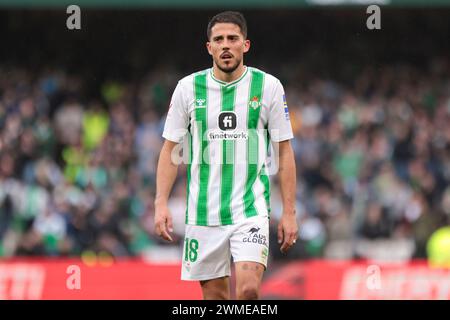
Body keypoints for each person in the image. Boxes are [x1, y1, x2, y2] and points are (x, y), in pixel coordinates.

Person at [154, 11, 298, 300]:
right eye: (218, 40)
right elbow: (170, 151)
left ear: (245, 44)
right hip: (203, 213)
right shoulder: (187, 88)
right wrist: (160, 204)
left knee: (248, 290)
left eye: (232, 39)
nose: (225, 45)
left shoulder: (268, 87)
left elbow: (284, 151)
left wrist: (289, 212)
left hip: (251, 209)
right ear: (209, 47)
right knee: (216, 298)